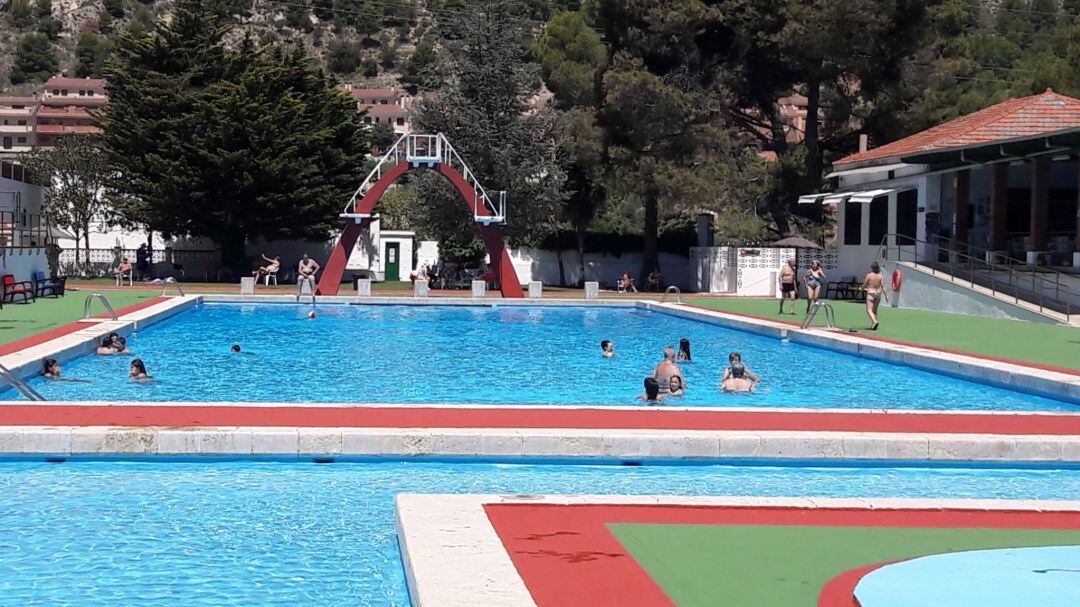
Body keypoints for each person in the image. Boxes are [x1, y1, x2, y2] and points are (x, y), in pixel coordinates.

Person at [862, 261, 889, 330]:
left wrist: (861, 289)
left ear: (872, 268)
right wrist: (886, 295)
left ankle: (874, 321)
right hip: (878, 294)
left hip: (871, 293)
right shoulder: (880, 276)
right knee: (875, 310)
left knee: (869, 309)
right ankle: (873, 325)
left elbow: (865, 284)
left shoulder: (869, 275)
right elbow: (883, 286)